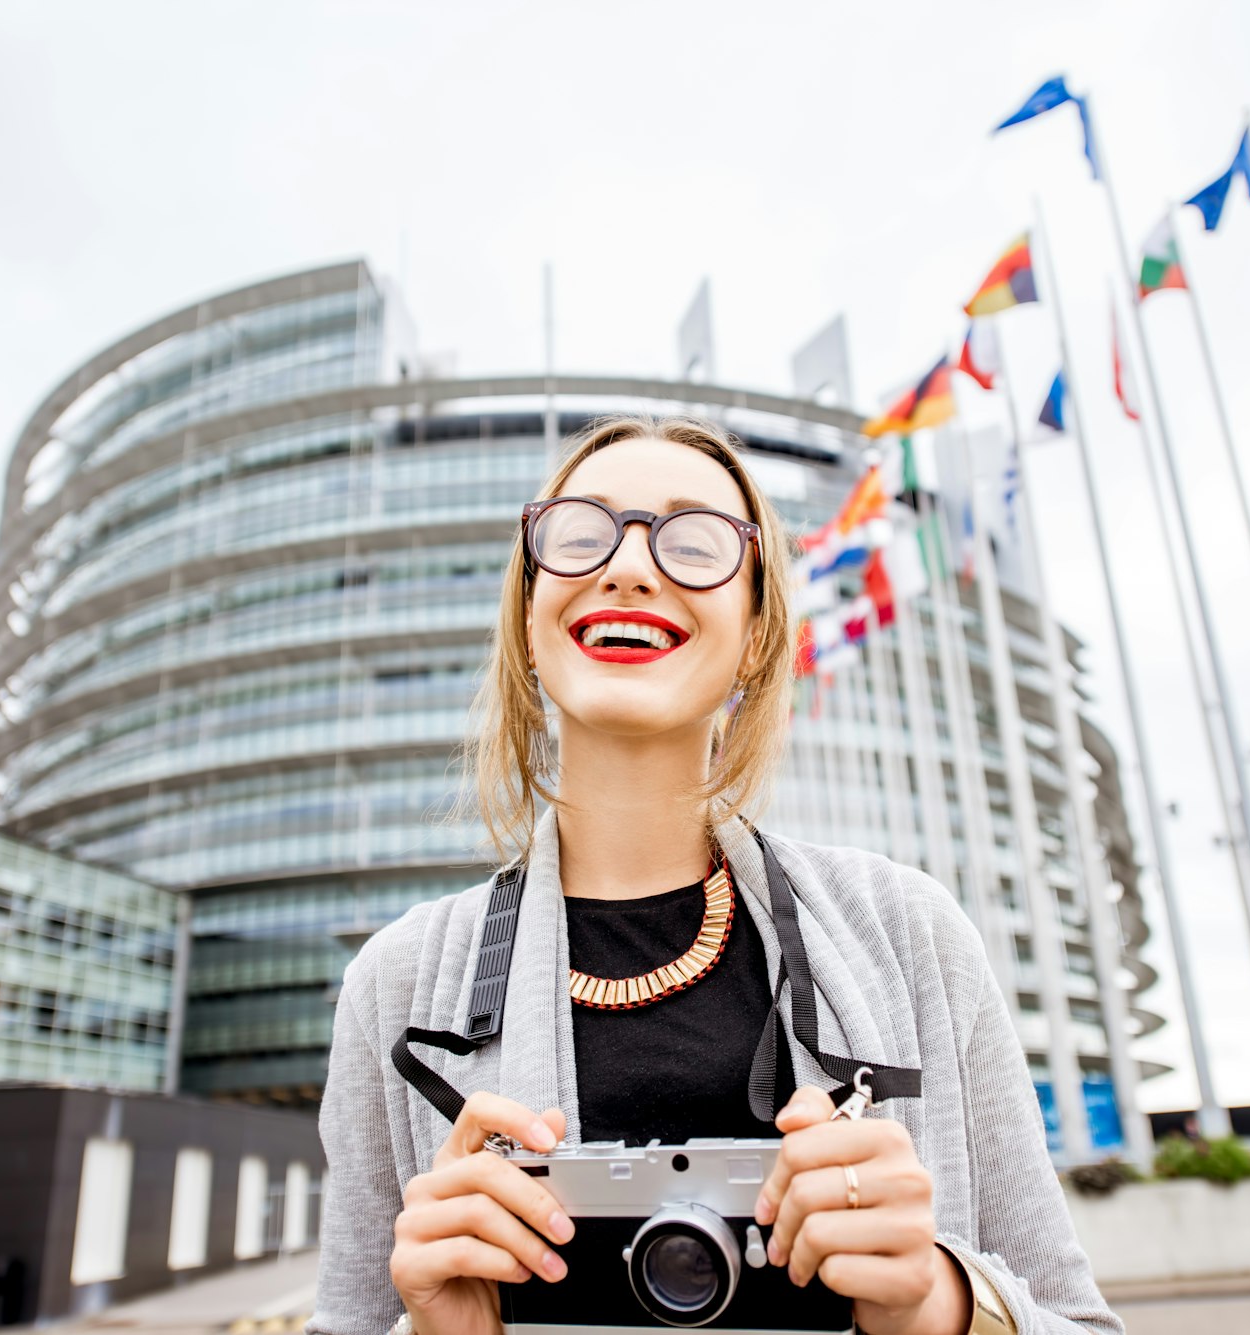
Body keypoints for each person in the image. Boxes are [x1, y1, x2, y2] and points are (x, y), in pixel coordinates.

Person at [309, 417, 1122, 1335]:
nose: (628, 566)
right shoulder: (398, 983)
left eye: (694, 543)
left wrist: (942, 1302)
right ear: (531, 620)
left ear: (755, 637)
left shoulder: (909, 934)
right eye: (580, 534)